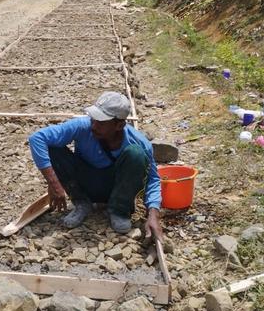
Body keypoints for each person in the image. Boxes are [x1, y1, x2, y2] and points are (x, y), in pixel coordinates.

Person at [28, 91, 163, 240]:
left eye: (101, 122)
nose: (94, 125)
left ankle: (118, 210)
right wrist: (54, 183)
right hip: (86, 182)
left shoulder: (138, 141)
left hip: (117, 188)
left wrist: (154, 214)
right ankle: (81, 203)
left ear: (119, 125)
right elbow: (37, 138)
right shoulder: (82, 126)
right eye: (93, 119)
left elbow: (153, 180)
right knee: (53, 147)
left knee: (136, 154)